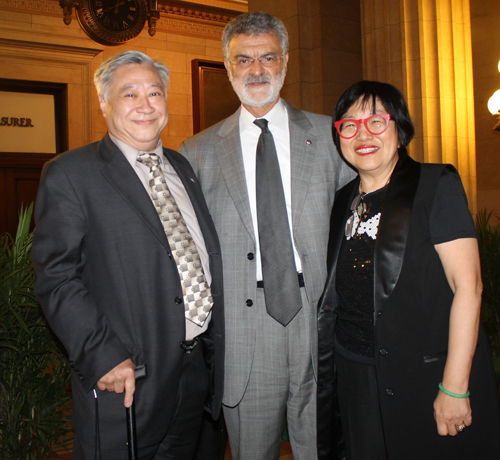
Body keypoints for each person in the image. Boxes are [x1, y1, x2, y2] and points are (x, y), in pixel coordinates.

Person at [32, 51, 224, 460]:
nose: (145, 104)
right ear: (104, 103)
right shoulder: (71, 174)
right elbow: (57, 277)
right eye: (129, 94)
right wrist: (103, 355)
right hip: (127, 378)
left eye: (155, 92)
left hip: (196, 375)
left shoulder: (182, 168)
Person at [180, 12, 354, 460]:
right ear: (227, 66)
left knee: (322, 448)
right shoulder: (196, 152)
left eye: (267, 57)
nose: (256, 70)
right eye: (243, 60)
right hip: (243, 328)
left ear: (286, 62)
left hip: (318, 316)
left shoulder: (331, 137)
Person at [317, 80, 500, 460]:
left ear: (399, 130)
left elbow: (469, 287)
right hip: (356, 376)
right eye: (348, 125)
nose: (362, 134)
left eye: (376, 121)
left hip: (424, 376)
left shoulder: (436, 185)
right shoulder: (341, 202)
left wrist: (454, 386)